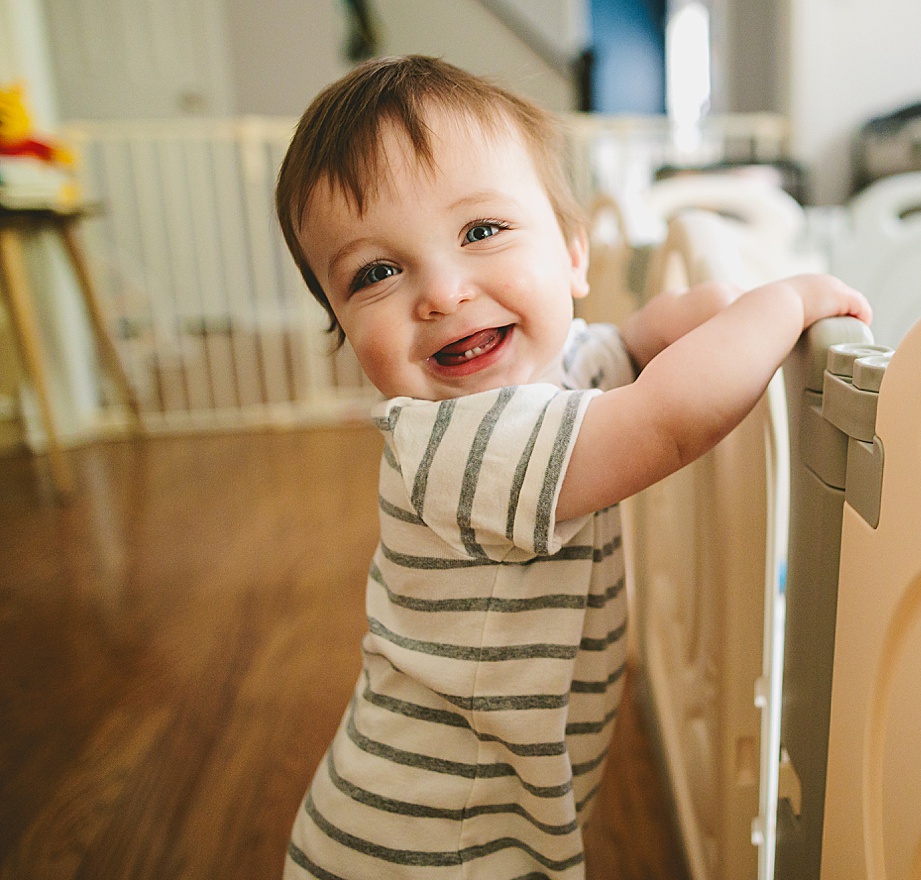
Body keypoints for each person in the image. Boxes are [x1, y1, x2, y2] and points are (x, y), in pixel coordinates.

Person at [273, 54, 870, 879]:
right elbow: (664, 421)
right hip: (423, 847)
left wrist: (695, 313)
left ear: (573, 256)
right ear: (340, 322)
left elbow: (621, 349)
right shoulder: (459, 443)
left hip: (483, 817)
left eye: (481, 232)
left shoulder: (555, 367)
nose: (443, 292)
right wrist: (785, 304)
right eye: (376, 273)